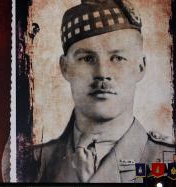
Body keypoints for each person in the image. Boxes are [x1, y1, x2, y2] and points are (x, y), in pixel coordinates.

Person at [28, 0, 175, 183]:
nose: (103, 73)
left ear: (140, 67)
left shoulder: (169, 161)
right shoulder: (31, 163)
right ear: (65, 68)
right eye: (87, 58)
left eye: (118, 58)